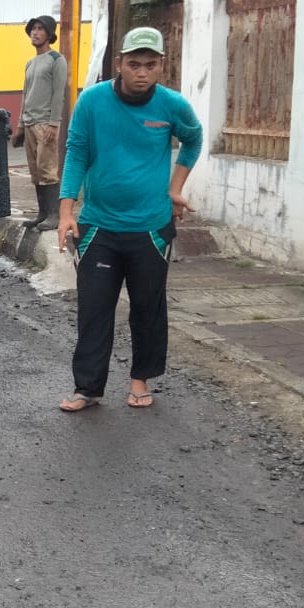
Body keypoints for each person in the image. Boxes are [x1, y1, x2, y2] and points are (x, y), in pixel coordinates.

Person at [55, 26, 203, 412]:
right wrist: (67, 211)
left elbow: (194, 138)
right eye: (133, 64)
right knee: (94, 308)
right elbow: (77, 153)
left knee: (148, 308)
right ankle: (87, 387)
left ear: (161, 67)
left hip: (151, 229)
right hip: (99, 227)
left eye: (150, 65)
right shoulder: (92, 102)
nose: (141, 72)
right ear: (118, 64)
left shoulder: (172, 106)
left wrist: (175, 187)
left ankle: (140, 380)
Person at [19, 15, 69, 231]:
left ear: (49, 34)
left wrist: (54, 124)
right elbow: (25, 94)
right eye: (33, 29)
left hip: (45, 123)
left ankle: (53, 215)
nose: (35, 33)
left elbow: (59, 94)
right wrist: (20, 125)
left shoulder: (56, 60)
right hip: (30, 122)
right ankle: (41, 213)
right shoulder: (30, 63)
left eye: (40, 29)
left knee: (48, 168)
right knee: (36, 170)